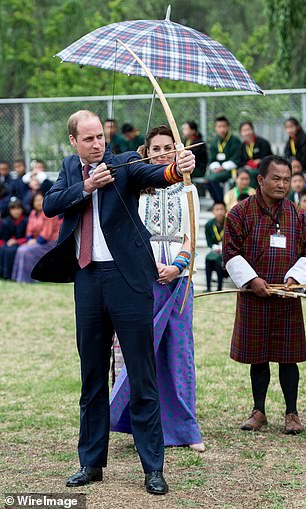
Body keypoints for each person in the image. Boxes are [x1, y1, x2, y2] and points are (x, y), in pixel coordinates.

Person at [31, 110, 195, 495]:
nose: (97, 144)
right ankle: (90, 462)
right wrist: (87, 186)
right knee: (91, 376)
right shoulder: (71, 169)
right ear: (73, 141)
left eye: (100, 137)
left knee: (142, 375)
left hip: (127, 280)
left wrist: (178, 167)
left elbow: (156, 174)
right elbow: (51, 205)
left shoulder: (122, 163)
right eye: (87, 139)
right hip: (87, 279)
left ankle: (153, 467)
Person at [110, 125, 204, 452]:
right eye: (155, 148)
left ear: (178, 151)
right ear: (146, 152)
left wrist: (176, 267)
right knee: (142, 353)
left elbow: (192, 237)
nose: (162, 152)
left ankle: (186, 429)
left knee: (179, 352)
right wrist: (150, 269)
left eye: (168, 147)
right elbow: (129, 235)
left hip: (178, 281)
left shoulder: (189, 191)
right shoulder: (137, 188)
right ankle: (140, 427)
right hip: (144, 279)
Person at [223, 155, 306, 434]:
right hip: (253, 295)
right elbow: (230, 253)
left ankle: (292, 413)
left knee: (288, 357)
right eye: (276, 178)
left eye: (287, 179)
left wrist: (295, 277)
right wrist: (251, 280)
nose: (282, 184)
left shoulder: (297, 214)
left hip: (286, 297)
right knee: (258, 356)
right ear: (261, 180)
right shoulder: (239, 213)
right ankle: (258, 410)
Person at [12, 191, 60, 283]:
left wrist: (35, 241)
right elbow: (29, 230)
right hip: (36, 242)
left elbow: (47, 234)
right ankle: (18, 278)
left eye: (40, 200)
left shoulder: (49, 212)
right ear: (32, 202)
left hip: (49, 243)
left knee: (25, 251)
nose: (38, 202)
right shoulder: (33, 213)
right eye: (36, 200)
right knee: (20, 249)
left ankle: (29, 278)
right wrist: (30, 239)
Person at [205, 116, 241, 202]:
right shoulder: (215, 141)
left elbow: (236, 158)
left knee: (213, 179)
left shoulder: (234, 140)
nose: (222, 129)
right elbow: (211, 159)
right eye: (219, 126)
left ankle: (221, 202)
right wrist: (215, 167)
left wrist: (223, 167)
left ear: (228, 127)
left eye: (223, 126)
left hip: (230, 170)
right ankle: (218, 202)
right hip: (218, 170)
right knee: (206, 180)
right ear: (216, 128)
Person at [0, 198, 28, 279]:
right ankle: (3, 273)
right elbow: (4, 237)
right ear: (9, 210)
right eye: (13, 209)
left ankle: (11, 275)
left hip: (22, 242)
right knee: (3, 249)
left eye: (18, 208)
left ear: (22, 209)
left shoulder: (26, 221)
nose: (16, 211)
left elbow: (28, 236)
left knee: (11, 251)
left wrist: (16, 241)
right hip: (9, 242)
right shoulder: (7, 221)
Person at [239, 121, 273, 188]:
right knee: (239, 175)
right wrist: (247, 165)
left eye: (248, 130)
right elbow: (240, 161)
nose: (246, 133)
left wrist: (258, 162)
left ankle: (255, 195)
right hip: (247, 170)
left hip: (262, 169)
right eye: (244, 131)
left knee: (251, 173)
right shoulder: (242, 146)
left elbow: (268, 158)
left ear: (252, 130)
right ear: (241, 133)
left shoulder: (263, 143)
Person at [204, 201, 227, 292]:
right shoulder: (209, 225)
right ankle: (208, 287)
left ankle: (219, 287)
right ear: (213, 211)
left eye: (221, 209)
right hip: (215, 250)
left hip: (226, 250)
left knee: (218, 259)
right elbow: (209, 242)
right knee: (208, 258)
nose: (219, 212)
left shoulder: (229, 222)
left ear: (225, 211)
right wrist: (214, 247)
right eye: (217, 210)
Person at [182, 121, 208, 196]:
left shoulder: (198, 143)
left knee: (182, 173)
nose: (184, 131)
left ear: (193, 131)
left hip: (197, 169)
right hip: (188, 167)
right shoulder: (186, 142)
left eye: (186, 129)